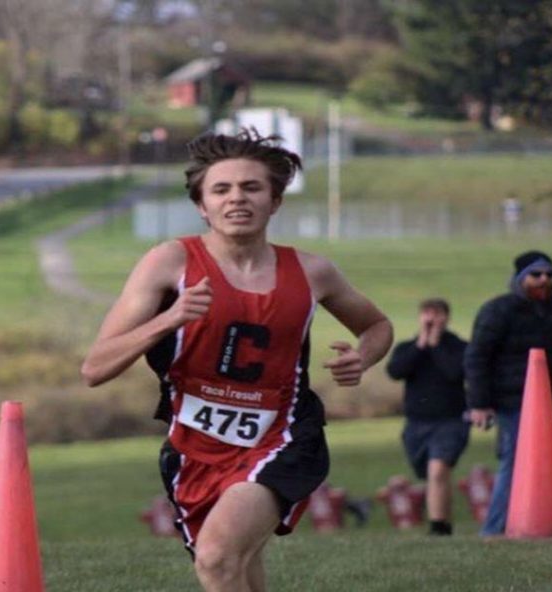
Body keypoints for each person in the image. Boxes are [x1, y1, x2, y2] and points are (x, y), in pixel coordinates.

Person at [80, 130, 393, 591]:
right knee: (238, 569)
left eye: (251, 187)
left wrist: (362, 358)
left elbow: (377, 326)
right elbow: (95, 367)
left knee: (216, 558)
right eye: (221, 189)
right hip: (194, 447)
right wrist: (169, 320)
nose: (236, 199)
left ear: (275, 201)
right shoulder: (169, 263)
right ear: (202, 205)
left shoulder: (312, 272)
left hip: (282, 436)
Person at [464, 250, 552, 537]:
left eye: (549, 274)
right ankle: (494, 530)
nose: (544, 279)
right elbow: (477, 358)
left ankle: (540, 523)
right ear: (521, 278)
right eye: (536, 274)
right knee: (516, 462)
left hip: (547, 401)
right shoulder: (498, 310)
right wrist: (479, 404)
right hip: (510, 401)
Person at [386, 298, 468, 536]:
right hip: (416, 423)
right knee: (430, 474)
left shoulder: (458, 347)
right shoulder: (408, 348)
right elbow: (396, 371)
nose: (432, 318)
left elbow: (455, 372)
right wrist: (422, 344)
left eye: (437, 313)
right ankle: (443, 519)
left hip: (450, 421)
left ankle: (438, 527)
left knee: (438, 470)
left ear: (447, 317)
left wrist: (436, 345)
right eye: (427, 313)